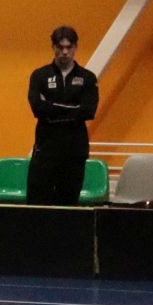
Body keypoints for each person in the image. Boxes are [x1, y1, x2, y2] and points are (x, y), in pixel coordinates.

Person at [27, 24, 99, 206]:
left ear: (75, 47)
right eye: (60, 47)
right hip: (46, 149)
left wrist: (51, 107)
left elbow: (88, 111)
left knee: (68, 205)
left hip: (74, 150)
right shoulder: (39, 76)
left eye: (69, 47)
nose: (65, 52)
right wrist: (73, 109)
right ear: (53, 47)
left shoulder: (88, 78)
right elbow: (37, 108)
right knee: (37, 204)